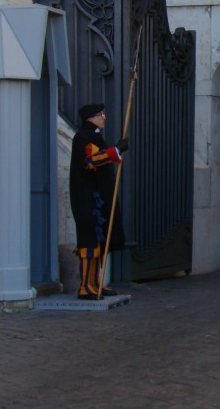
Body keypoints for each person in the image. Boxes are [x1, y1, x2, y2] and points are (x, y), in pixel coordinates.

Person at [69, 103, 128, 299]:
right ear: (90, 118)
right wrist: (115, 151)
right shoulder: (83, 137)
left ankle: (95, 283)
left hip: (98, 197)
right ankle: (85, 286)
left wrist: (115, 152)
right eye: (100, 114)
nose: (104, 117)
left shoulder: (94, 135)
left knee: (99, 240)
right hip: (87, 197)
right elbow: (91, 161)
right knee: (89, 240)